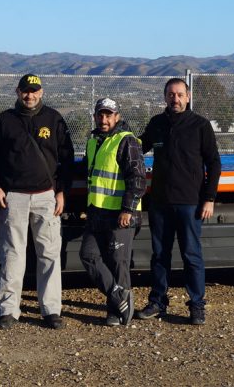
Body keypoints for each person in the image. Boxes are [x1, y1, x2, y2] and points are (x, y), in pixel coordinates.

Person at [0, 74, 75, 330]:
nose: (30, 95)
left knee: (49, 254)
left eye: (34, 91)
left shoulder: (54, 118)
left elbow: (67, 158)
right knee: (12, 254)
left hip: (47, 196)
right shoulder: (5, 120)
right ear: (17, 91)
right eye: (25, 91)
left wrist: (62, 191)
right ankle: (7, 310)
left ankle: (51, 309)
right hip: (14, 197)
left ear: (41, 92)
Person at [135, 78, 221, 325]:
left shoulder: (200, 125)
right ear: (165, 97)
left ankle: (196, 305)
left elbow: (214, 163)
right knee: (159, 255)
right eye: (171, 95)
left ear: (188, 96)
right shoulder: (157, 124)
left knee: (191, 255)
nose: (176, 99)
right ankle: (158, 302)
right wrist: (118, 140)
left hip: (190, 203)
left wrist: (209, 198)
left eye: (180, 94)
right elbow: (139, 146)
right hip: (160, 202)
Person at [79, 98, 146, 326]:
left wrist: (127, 209)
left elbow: (137, 179)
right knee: (88, 255)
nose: (104, 119)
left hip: (120, 214)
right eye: (100, 115)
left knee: (118, 262)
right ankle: (119, 297)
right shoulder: (93, 141)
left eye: (109, 115)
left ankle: (117, 312)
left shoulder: (127, 141)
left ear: (117, 117)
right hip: (97, 212)